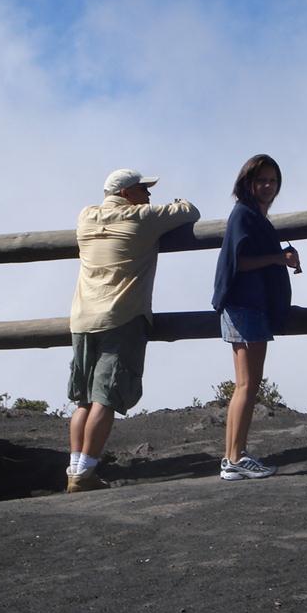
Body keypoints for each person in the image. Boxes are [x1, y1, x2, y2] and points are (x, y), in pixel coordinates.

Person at [67, 168, 200, 492]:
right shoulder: (141, 218)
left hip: (82, 317)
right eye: (143, 188)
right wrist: (179, 201)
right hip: (120, 316)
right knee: (105, 398)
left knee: (84, 399)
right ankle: (84, 474)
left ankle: (74, 469)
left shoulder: (86, 217)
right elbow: (190, 211)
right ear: (126, 193)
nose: (149, 194)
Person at [212, 154, 300, 481]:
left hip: (247, 306)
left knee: (245, 385)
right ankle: (235, 458)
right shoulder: (244, 215)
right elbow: (240, 263)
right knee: (248, 386)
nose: (267, 186)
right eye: (261, 180)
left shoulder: (251, 215)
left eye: (272, 181)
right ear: (248, 182)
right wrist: (279, 257)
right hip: (244, 305)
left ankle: (232, 457)